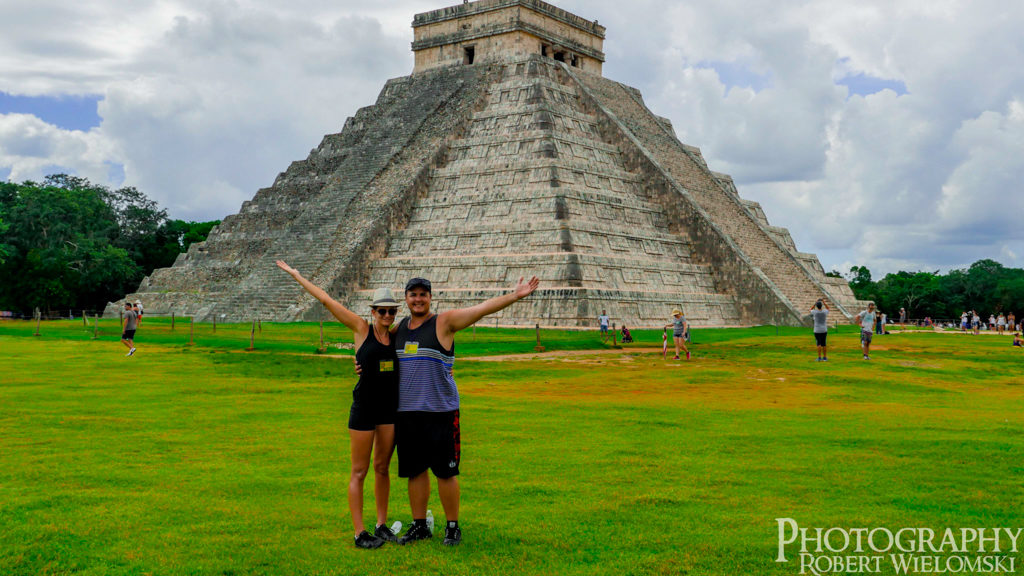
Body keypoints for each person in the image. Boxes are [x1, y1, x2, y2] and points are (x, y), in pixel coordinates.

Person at [392, 274, 539, 547]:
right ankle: (420, 525)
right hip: (408, 413)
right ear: (406, 298)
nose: (418, 299)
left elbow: (480, 309)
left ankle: (452, 526)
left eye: (423, 294)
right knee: (415, 471)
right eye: (413, 294)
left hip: (441, 412)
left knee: (446, 472)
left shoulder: (444, 322)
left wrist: (514, 295)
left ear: (430, 298)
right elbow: (374, 344)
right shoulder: (399, 329)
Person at [276, 260, 401, 550]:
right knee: (360, 470)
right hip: (364, 409)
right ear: (372, 311)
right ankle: (360, 533)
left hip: (388, 411)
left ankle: (381, 525)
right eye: (382, 310)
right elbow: (326, 299)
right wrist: (297, 275)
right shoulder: (361, 327)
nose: (387, 315)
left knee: (382, 467)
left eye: (392, 311)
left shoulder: (396, 336)